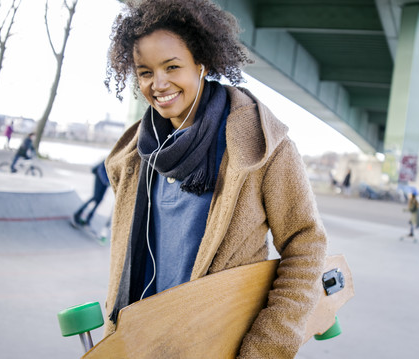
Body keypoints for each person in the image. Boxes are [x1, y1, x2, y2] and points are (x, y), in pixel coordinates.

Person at [103, 0, 328, 357]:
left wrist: (266, 347)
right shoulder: (133, 157)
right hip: (143, 343)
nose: (158, 84)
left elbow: (306, 246)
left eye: (172, 66)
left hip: (222, 344)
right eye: (145, 72)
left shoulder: (260, 145)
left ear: (201, 63)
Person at [73, 160, 110, 227]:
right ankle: (78, 214)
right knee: (95, 197)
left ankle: (88, 219)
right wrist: (106, 181)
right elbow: (100, 169)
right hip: (100, 177)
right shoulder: (112, 156)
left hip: (107, 181)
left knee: (99, 200)